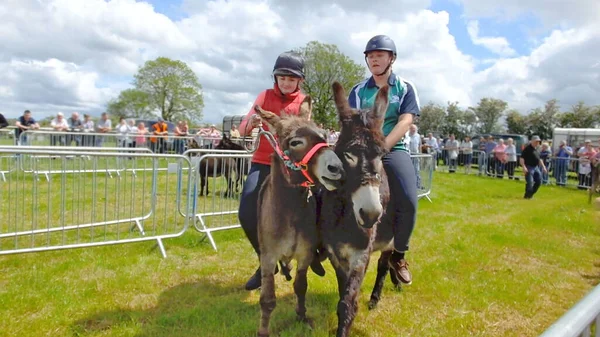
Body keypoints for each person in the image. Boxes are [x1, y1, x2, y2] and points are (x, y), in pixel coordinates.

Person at [237, 51, 324, 291]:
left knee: (319, 202)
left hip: (293, 169)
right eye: (282, 77)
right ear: (275, 77)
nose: (286, 82)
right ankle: (265, 261)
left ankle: (315, 251)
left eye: (291, 78)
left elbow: (306, 131)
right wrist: (251, 124)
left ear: (300, 81)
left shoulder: (304, 101)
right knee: (246, 211)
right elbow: (243, 128)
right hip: (263, 163)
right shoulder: (264, 96)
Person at [348, 35, 420, 285]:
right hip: (363, 150)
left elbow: (406, 120)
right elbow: (353, 122)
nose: (374, 59)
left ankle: (398, 254)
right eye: (370, 55)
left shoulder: (405, 87)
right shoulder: (358, 91)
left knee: (409, 199)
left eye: (379, 55)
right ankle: (322, 243)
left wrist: (384, 146)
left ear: (392, 58)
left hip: (394, 148)